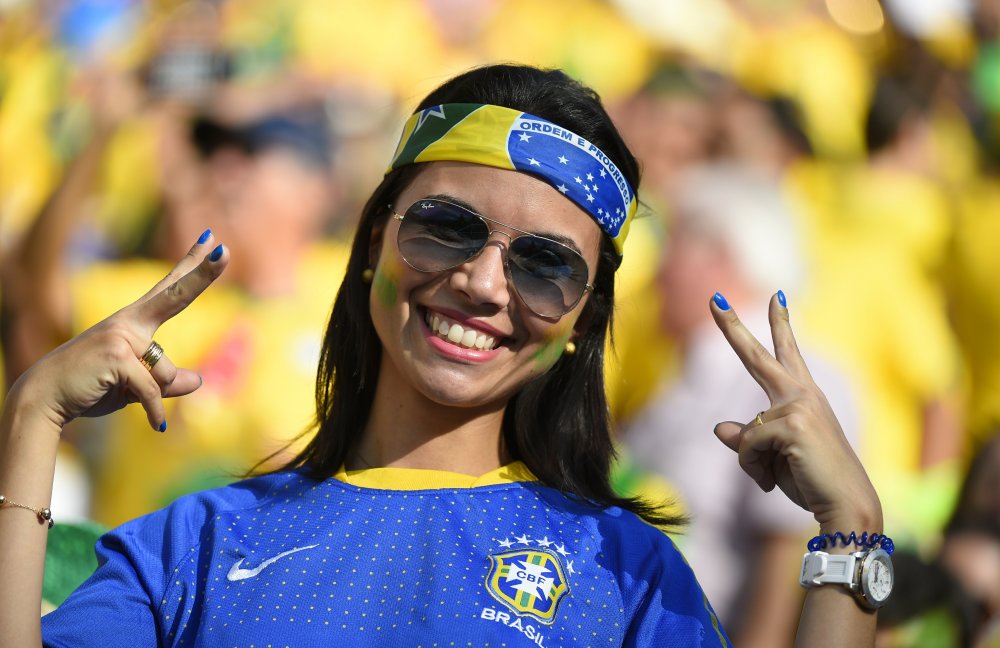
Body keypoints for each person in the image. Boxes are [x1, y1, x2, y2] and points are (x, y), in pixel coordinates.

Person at [0, 64, 885, 646]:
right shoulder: (194, 545)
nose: (485, 284)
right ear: (372, 241)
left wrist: (851, 533)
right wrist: (32, 417)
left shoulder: (629, 576)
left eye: (545, 265)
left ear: (581, 318)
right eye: (449, 227)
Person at [622, 162, 860, 647]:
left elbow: (786, 557)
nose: (657, 274)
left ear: (724, 260)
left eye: (675, 247)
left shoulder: (801, 381)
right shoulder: (685, 369)